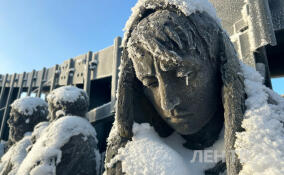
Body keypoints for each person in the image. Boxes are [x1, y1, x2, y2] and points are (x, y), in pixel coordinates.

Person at [105, 0, 284, 175]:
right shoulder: (126, 156)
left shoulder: (273, 132)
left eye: (184, 75)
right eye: (150, 83)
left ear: (220, 67)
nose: (168, 102)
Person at [16, 86, 100, 175]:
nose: (49, 116)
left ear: (59, 110)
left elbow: (41, 168)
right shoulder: (87, 131)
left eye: (50, 110)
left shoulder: (62, 128)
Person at [0, 97, 48, 175]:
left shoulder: (25, 145)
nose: (9, 121)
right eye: (10, 116)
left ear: (28, 121)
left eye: (14, 117)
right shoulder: (14, 145)